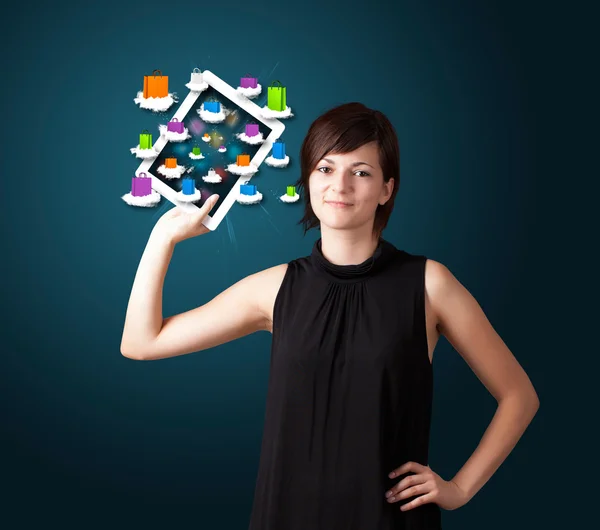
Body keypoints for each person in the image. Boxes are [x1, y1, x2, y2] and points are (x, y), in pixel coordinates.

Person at [121, 102, 540, 529]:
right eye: (325, 168)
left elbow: (519, 396)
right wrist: (163, 238)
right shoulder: (273, 288)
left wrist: (459, 489)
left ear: (386, 189)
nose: (339, 185)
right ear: (307, 181)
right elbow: (141, 342)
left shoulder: (430, 284)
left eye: (360, 172)